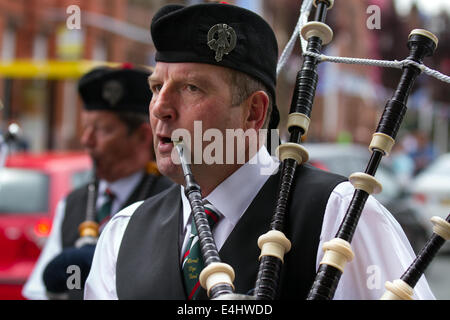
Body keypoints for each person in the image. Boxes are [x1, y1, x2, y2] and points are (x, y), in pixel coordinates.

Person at [85, 3, 435, 300]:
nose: (161, 107)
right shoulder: (123, 233)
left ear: (253, 112)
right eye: (157, 87)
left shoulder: (339, 215)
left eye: (191, 88)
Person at [22, 65, 173, 300]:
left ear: (143, 136)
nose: (86, 140)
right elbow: (38, 291)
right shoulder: (73, 203)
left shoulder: (173, 201)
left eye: (102, 130)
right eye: (85, 128)